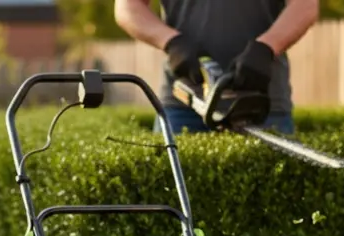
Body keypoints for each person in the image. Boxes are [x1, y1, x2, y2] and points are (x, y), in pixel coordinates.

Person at [113, 0, 319, 136]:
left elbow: (305, 6)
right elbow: (128, 7)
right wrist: (171, 42)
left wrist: (267, 47)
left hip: (262, 105)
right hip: (183, 105)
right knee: (171, 200)